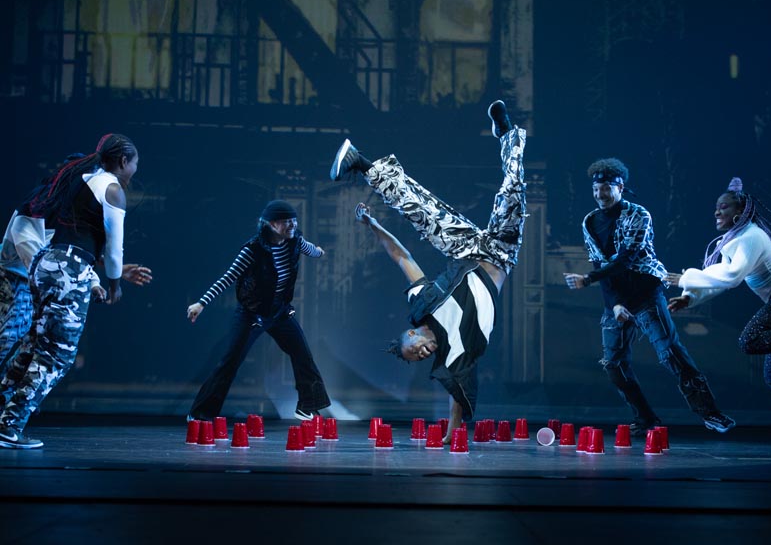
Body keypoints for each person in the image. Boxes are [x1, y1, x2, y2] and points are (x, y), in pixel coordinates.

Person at [330, 99, 526, 439]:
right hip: (499, 255)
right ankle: (508, 135)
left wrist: (374, 224)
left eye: (414, 349)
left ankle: (360, 163)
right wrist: (451, 433)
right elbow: (457, 394)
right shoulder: (454, 356)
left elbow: (402, 256)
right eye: (420, 357)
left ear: (411, 334)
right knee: (512, 190)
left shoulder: (421, 304)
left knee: (422, 210)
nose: (422, 353)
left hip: (466, 250)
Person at [563, 158, 733, 441]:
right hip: (616, 296)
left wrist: (587, 280)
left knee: (671, 354)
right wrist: (614, 303)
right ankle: (645, 418)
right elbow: (600, 263)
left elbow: (625, 259)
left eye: (605, 188)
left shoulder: (638, 215)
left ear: (620, 187)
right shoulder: (590, 222)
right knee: (614, 364)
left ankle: (710, 412)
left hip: (645, 293)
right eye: (595, 189)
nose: (600, 194)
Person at [666, 177, 771, 454]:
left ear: (739, 212)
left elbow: (733, 277)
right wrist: (689, 297)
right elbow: (719, 278)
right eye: (715, 208)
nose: (716, 212)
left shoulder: (752, 236)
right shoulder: (734, 240)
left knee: (749, 340)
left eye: (723, 207)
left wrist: (684, 277)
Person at [0, 134, 140, 449]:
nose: (135, 170)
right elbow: (114, 248)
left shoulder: (80, 181)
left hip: (46, 265)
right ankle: (10, 425)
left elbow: (76, 242)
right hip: (63, 271)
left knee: (32, 347)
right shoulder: (112, 189)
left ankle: (3, 415)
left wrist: (97, 274)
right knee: (56, 356)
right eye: (134, 163)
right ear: (121, 162)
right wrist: (114, 283)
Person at [0, 154, 153, 376]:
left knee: (25, 348)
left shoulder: (71, 210)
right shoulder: (40, 203)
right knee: (10, 341)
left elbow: (69, 254)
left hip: (36, 282)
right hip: (15, 279)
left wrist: (96, 277)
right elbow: (39, 253)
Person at [186, 200, 331, 423]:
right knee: (230, 363)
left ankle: (306, 407)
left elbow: (312, 250)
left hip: (279, 312)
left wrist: (320, 252)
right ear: (272, 224)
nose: (292, 225)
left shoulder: (296, 242)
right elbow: (227, 278)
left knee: (303, 356)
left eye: (294, 220)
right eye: (286, 222)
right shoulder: (252, 250)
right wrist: (201, 303)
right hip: (252, 313)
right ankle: (199, 414)